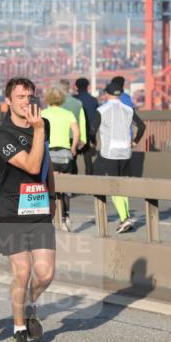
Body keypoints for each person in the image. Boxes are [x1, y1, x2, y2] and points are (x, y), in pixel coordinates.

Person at [0, 77, 56, 342]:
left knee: (45, 275)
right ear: (8, 101)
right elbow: (30, 165)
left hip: (40, 210)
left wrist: (53, 197)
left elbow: (45, 166)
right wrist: (38, 130)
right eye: (20, 97)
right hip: (10, 214)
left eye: (29, 96)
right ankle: (18, 330)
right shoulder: (2, 135)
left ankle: (29, 304)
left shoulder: (44, 127)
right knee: (23, 272)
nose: (26, 101)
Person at [92, 81, 145, 234]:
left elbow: (92, 130)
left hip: (110, 153)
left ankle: (125, 218)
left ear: (107, 93)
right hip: (126, 152)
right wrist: (134, 142)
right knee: (122, 185)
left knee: (114, 186)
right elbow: (141, 127)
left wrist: (92, 141)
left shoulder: (102, 110)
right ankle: (125, 216)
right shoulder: (128, 109)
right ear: (120, 94)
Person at [41, 87, 82, 231]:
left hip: (49, 154)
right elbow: (77, 133)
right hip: (65, 154)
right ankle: (65, 217)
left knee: (50, 187)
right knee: (65, 188)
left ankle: (50, 217)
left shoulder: (43, 113)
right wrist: (73, 148)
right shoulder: (68, 114)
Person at [73, 78, 99, 174]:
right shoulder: (93, 100)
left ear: (76, 87)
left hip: (74, 134)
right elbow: (96, 119)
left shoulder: (73, 100)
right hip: (88, 135)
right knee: (88, 162)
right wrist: (94, 138)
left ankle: (71, 186)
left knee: (72, 161)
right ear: (88, 86)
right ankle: (89, 185)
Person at [59, 79, 88, 159]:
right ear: (69, 88)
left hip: (57, 138)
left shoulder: (54, 103)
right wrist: (83, 139)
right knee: (71, 162)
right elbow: (82, 122)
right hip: (73, 137)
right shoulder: (78, 103)